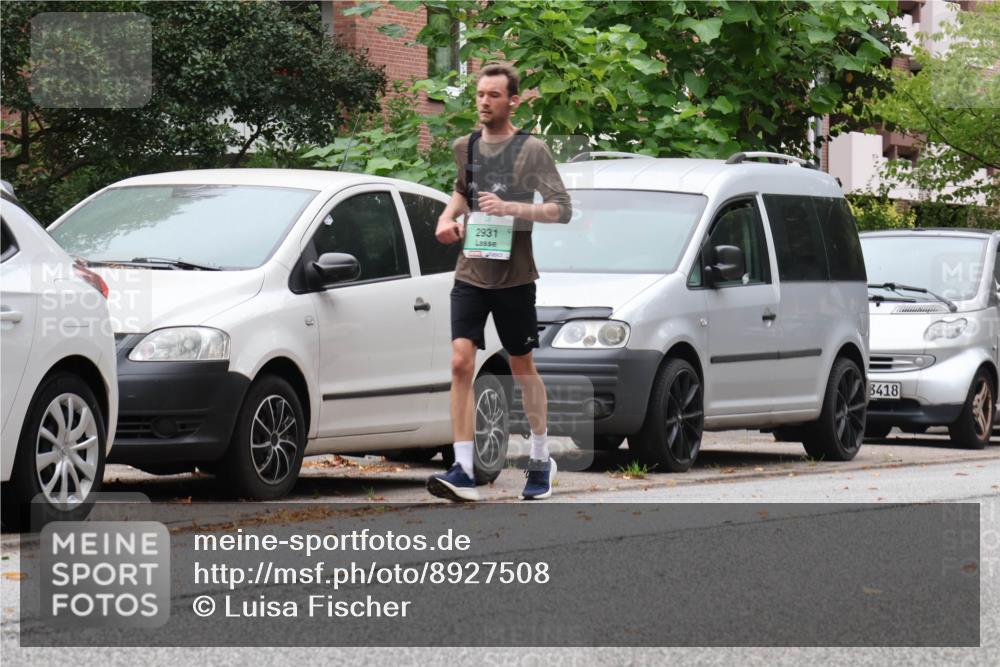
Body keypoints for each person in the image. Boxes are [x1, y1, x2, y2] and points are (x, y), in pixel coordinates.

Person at [426, 62, 571, 502]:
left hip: (514, 278)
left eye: (493, 95)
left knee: (521, 366)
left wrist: (513, 209)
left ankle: (541, 457)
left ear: (513, 100)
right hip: (471, 271)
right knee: (459, 362)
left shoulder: (532, 150)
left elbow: (561, 208)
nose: (484, 102)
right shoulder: (464, 146)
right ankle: (463, 467)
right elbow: (460, 192)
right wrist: (446, 219)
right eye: (480, 94)